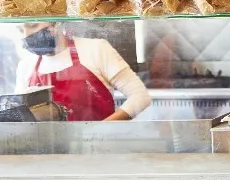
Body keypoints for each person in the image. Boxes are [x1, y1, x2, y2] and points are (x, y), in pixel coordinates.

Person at [15, 23, 150, 121]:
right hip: (50, 153)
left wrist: (100, 131)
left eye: (32, 26)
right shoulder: (26, 66)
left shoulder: (95, 49)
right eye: (20, 30)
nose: (26, 35)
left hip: (99, 148)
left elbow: (140, 96)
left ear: (56, 24)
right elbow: (21, 115)